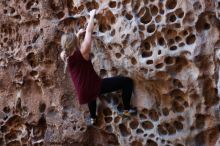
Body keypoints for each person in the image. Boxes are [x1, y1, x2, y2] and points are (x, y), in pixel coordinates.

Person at [60, 9, 136, 125]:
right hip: (94, 86)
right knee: (127, 82)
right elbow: (89, 31)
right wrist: (91, 16)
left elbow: (68, 46)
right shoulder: (83, 51)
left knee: (91, 95)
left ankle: (92, 117)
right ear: (75, 42)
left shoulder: (64, 55)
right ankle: (126, 110)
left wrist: (77, 35)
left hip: (82, 91)